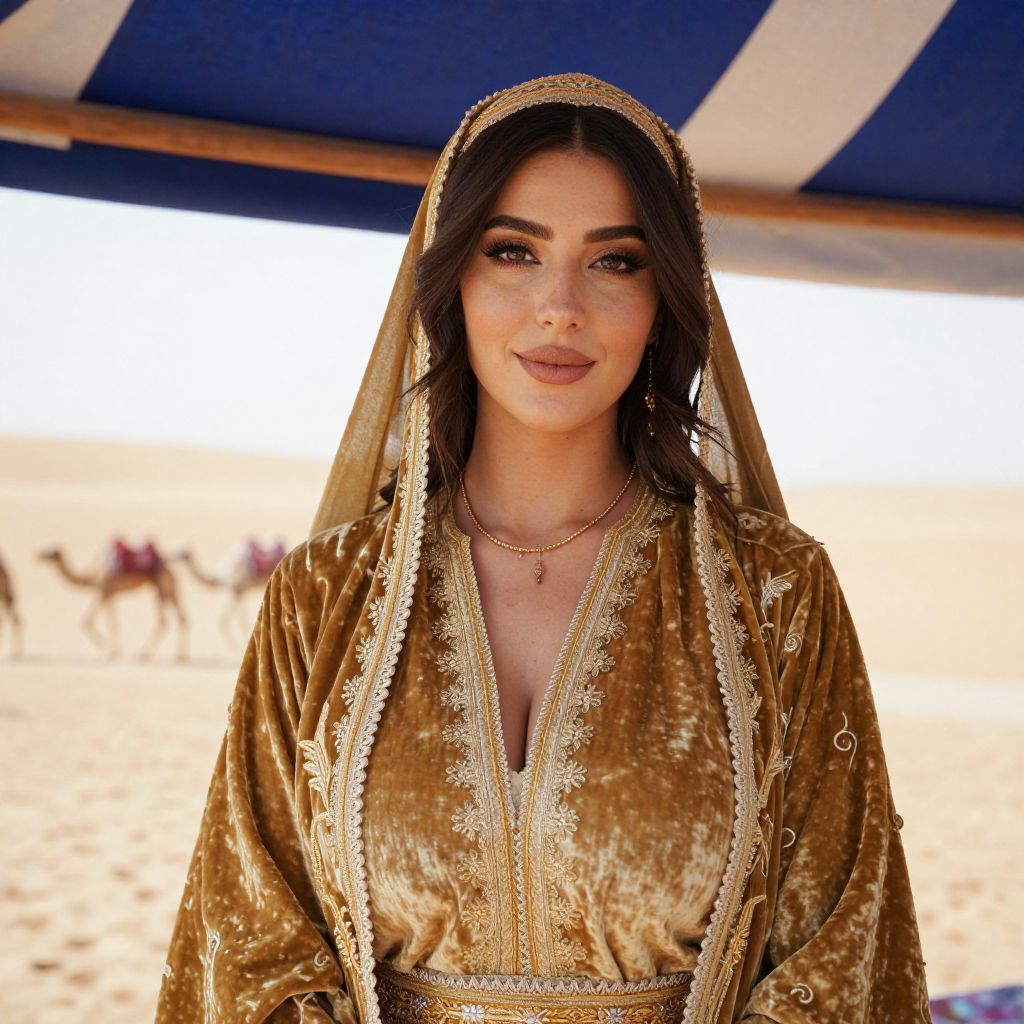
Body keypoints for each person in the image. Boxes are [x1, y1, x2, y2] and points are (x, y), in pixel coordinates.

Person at [156, 73, 930, 1024]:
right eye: (513, 251)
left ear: (665, 298)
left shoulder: (776, 593)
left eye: (615, 262)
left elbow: (841, 960)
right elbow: (251, 953)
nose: (560, 306)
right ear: (451, 279)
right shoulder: (323, 597)